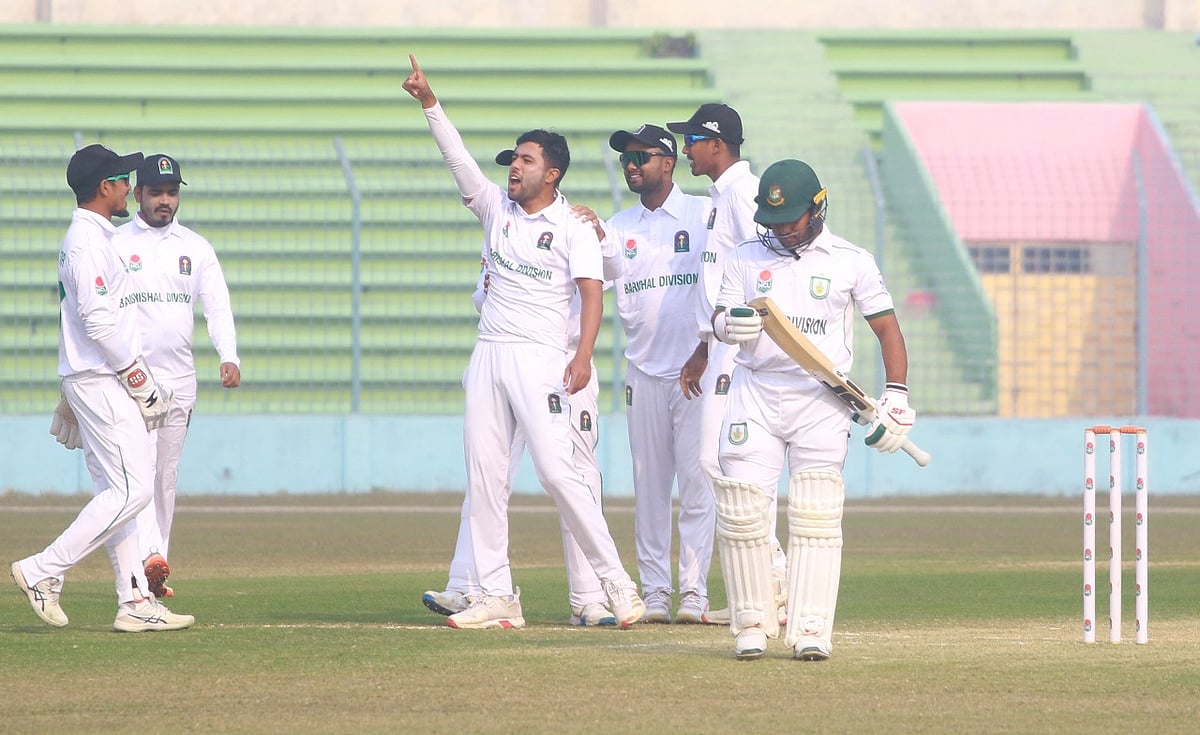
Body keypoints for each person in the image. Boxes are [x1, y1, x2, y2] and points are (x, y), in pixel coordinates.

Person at [402, 54, 644, 629]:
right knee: (485, 476)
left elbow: (592, 293)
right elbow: (459, 163)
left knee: (561, 474)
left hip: (542, 359)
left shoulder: (573, 226)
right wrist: (430, 104)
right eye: (513, 159)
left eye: (526, 160)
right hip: (488, 351)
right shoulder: (495, 210)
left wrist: (582, 356)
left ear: (552, 173)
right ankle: (497, 595)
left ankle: (616, 582)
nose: (514, 167)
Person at [709, 159, 915, 661]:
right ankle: (752, 623)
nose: (780, 229)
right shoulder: (744, 255)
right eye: (773, 220)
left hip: (821, 397)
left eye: (792, 219)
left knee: (817, 512)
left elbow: (887, 328)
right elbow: (720, 314)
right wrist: (724, 327)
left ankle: (810, 628)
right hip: (755, 390)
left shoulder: (850, 259)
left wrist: (897, 395)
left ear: (817, 208)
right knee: (742, 508)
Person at [10, 143, 193, 632]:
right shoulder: (88, 242)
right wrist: (139, 380)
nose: (130, 188)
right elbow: (95, 321)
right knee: (133, 491)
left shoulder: (95, 237)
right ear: (103, 188)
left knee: (121, 491)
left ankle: (133, 603)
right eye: (121, 180)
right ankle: (42, 570)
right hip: (102, 379)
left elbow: (85, 318)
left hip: (91, 378)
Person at [422, 264, 619, 628]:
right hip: (509, 361)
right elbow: (482, 301)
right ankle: (469, 585)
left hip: (565, 363)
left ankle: (590, 598)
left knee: (573, 478)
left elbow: (612, 271)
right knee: (486, 478)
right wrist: (488, 287)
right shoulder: (506, 231)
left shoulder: (575, 228)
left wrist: (599, 235)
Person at [664, 103, 785, 623]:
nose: (685, 148)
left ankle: (775, 582)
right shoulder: (720, 196)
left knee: (729, 464)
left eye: (691, 139)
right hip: (720, 344)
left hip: (742, 346)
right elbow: (718, 280)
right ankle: (766, 586)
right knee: (720, 464)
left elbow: (774, 260)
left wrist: (737, 339)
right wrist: (701, 347)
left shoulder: (743, 193)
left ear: (715, 143)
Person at [602, 124, 719, 624]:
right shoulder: (615, 226)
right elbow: (589, 286)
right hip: (643, 371)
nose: (631, 164)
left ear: (668, 162)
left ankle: (693, 593)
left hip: (698, 370)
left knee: (698, 484)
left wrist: (707, 347)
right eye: (625, 157)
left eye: (640, 156)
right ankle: (654, 592)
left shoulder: (702, 214)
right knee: (649, 487)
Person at [113, 153, 241, 599]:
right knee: (140, 471)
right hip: (133, 380)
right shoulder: (115, 243)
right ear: (138, 194)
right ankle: (146, 557)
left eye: (172, 193)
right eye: (157, 193)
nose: (165, 201)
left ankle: (156, 564)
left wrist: (229, 355)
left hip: (181, 380)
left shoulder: (196, 247)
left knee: (165, 476)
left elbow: (217, 304)